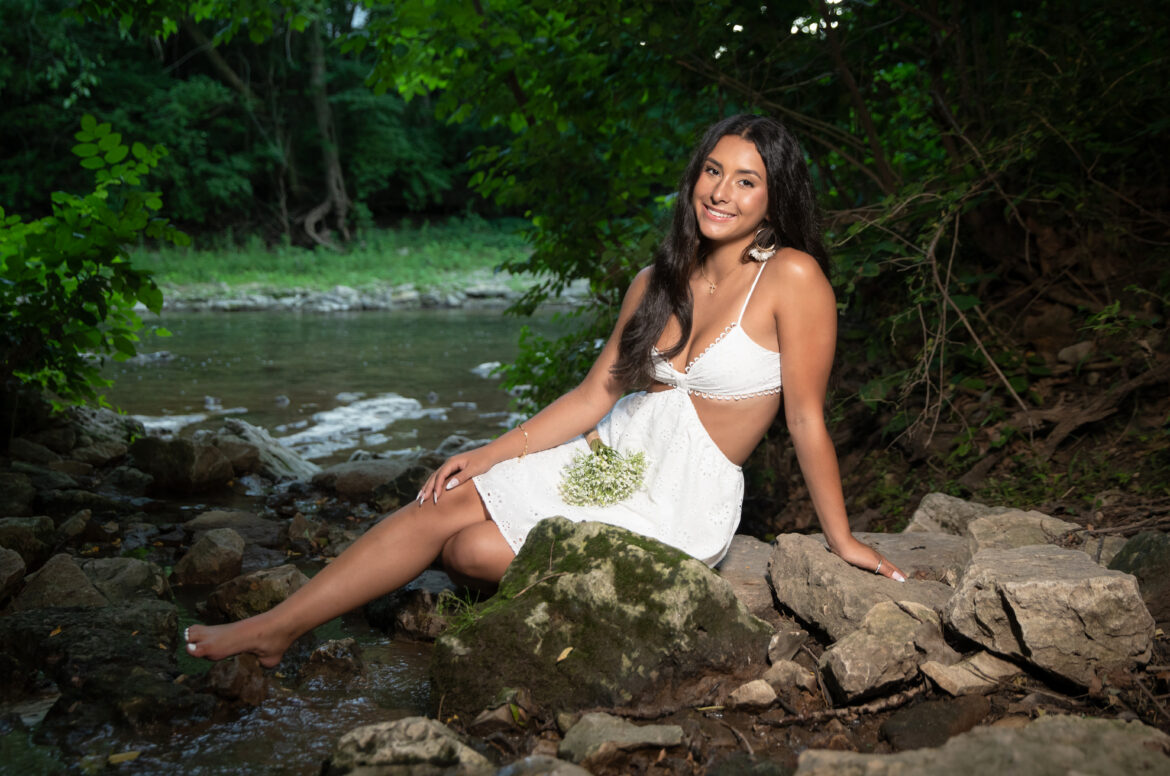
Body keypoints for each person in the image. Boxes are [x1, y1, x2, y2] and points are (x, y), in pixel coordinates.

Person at [185, 114, 905, 667]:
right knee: (448, 511)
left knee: (469, 554)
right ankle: (276, 629)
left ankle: (279, 627)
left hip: (677, 498)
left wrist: (840, 539)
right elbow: (594, 397)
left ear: (774, 198)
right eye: (713, 171)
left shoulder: (794, 278)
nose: (721, 192)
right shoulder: (655, 282)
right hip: (604, 458)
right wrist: (489, 454)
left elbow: (806, 420)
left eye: (746, 180)